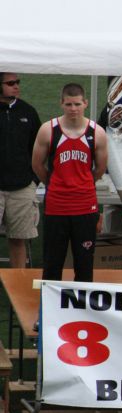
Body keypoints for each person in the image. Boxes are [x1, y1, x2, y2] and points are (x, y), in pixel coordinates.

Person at [31, 83, 108, 282]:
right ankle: (49, 308)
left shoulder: (96, 132)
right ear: (61, 104)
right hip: (57, 205)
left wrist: (83, 183)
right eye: (68, 104)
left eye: (77, 104)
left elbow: (100, 168)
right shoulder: (48, 130)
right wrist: (54, 183)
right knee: (52, 262)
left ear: (85, 103)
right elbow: (37, 164)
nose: (73, 109)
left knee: (84, 262)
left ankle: (81, 307)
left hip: (85, 205)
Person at [0, 72, 41, 267]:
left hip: (22, 187)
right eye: (10, 83)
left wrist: (33, 179)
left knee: (18, 240)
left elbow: (40, 148)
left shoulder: (28, 112)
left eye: (17, 82)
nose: (16, 86)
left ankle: (18, 286)